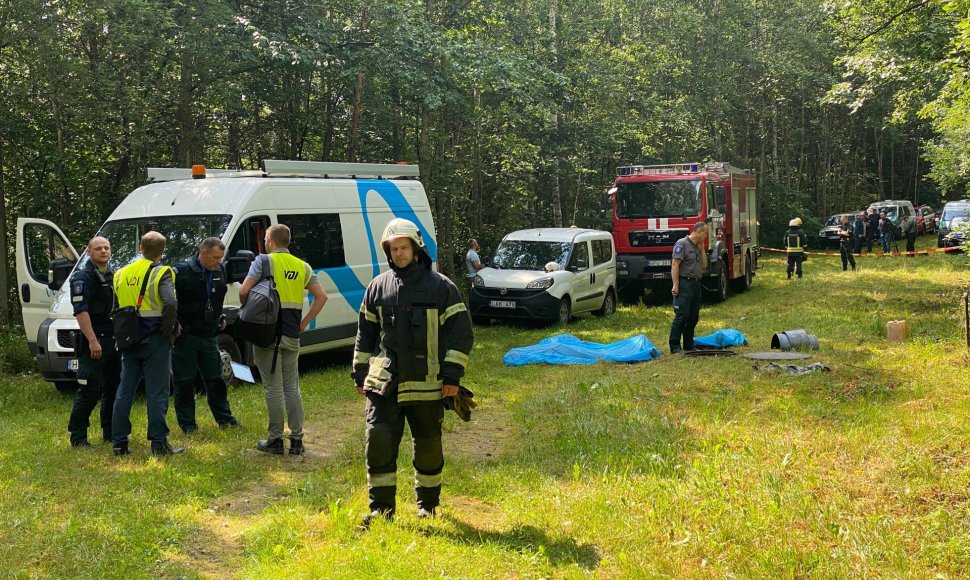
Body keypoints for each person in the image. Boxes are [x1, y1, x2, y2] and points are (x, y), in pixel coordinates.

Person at [353, 218, 474, 527]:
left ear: (416, 249)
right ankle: (381, 510)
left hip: (429, 383)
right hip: (385, 384)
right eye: (394, 249)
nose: (399, 254)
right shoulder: (378, 287)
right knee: (378, 440)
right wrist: (359, 372)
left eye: (404, 247)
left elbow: (461, 333)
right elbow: (365, 334)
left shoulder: (441, 287)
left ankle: (428, 506)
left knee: (429, 445)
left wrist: (452, 378)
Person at [239, 224, 327, 455]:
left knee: (273, 388)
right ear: (288, 241)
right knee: (292, 387)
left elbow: (243, 291)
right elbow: (321, 296)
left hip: (268, 333)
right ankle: (297, 441)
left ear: (269, 240)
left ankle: (275, 440)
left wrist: (247, 307)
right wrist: (304, 323)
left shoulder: (263, 261)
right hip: (292, 333)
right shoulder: (302, 266)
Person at [111, 231, 181, 456]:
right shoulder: (162, 272)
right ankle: (159, 443)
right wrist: (168, 328)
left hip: (128, 338)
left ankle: (119, 442)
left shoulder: (120, 273)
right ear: (162, 251)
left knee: (124, 391)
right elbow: (170, 302)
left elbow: (115, 308)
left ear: (140, 248)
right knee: (157, 391)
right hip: (154, 339)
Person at [172, 237, 241, 434]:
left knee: (215, 379)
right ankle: (188, 425)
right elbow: (166, 298)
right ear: (203, 254)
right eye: (215, 257)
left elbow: (217, 296)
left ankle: (225, 419)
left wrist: (220, 317)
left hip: (210, 334)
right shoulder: (182, 271)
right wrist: (173, 322)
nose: (219, 261)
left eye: (221, 257)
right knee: (184, 382)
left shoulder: (219, 270)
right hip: (186, 336)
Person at [67, 236, 120, 448]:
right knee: (89, 390)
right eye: (98, 248)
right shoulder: (82, 276)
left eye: (107, 248)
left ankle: (110, 432)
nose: (103, 251)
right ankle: (78, 437)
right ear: (89, 252)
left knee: (113, 389)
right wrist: (92, 341)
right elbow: (81, 311)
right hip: (95, 342)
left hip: (114, 341)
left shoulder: (114, 275)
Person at [668, 222, 709, 354]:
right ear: (698, 231)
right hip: (685, 283)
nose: (706, 236)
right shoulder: (682, 244)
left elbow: (704, 265)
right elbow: (675, 265)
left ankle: (688, 344)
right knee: (682, 315)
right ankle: (674, 346)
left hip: (696, 284)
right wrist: (676, 284)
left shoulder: (697, 246)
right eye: (705, 233)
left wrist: (702, 249)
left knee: (693, 316)